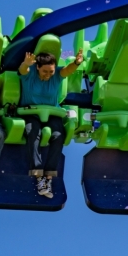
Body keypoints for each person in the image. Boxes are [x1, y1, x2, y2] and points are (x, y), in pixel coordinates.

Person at [18, 49, 84, 198]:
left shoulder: (56, 76)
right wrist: (26, 63)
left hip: (52, 113)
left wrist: (76, 63)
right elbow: (23, 70)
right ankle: (38, 176)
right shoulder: (29, 75)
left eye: (51, 71)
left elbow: (67, 70)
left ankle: (48, 177)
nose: (48, 74)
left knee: (58, 136)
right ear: (37, 68)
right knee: (33, 132)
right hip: (32, 113)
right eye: (45, 71)